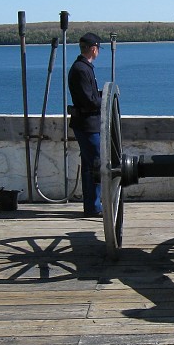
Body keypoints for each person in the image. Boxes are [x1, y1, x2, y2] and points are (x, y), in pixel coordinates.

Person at [68, 32, 104, 217]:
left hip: (88, 123)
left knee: (91, 163)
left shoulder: (83, 68)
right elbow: (88, 101)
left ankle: (93, 204)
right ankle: (93, 206)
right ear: (94, 48)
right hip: (87, 124)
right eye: (98, 49)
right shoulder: (81, 70)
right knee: (95, 165)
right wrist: (103, 99)